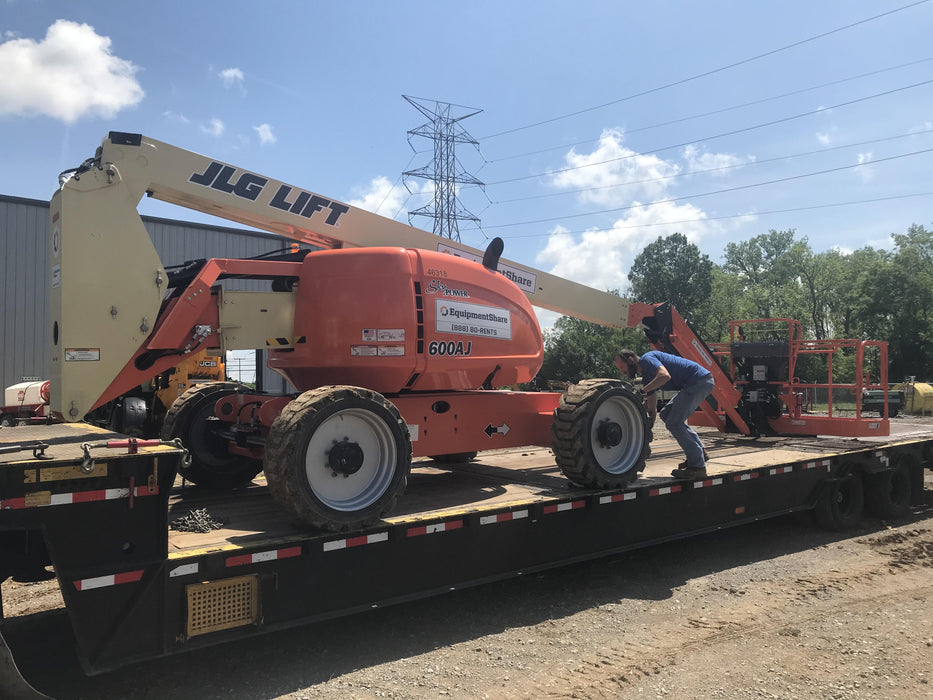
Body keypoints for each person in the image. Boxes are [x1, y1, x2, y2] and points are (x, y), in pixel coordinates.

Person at [615, 349, 715, 479]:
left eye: (622, 367)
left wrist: (643, 391)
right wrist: (647, 428)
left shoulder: (647, 359)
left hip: (699, 381)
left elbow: (664, 376)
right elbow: (652, 408)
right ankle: (699, 453)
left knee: (674, 423)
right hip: (695, 383)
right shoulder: (647, 377)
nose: (622, 372)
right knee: (666, 414)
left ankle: (697, 467)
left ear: (630, 360)